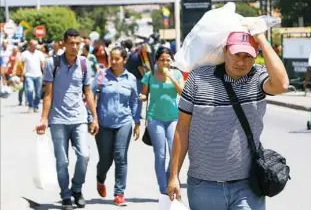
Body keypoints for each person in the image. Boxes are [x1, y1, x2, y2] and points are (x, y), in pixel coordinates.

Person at [168, 32, 289, 210]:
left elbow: (282, 84)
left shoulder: (258, 77)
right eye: (237, 54)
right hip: (204, 186)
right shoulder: (197, 79)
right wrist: (173, 175)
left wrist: (262, 39)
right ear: (225, 51)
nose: (241, 62)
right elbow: (182, 129)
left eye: (248, 56)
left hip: (247, 186)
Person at [35, 28, 99, 210]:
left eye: (78, 43)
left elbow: (88, 92)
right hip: (57, 120)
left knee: (84, 156)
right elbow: (48, 95)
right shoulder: (52, 63)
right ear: (64, 44)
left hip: (78, 118)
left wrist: (94, 117)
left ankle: (76, 189)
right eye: (71, 43)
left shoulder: (85, 63)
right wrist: (43, 119)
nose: (75, 46)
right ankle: (65, 195)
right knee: (62, 161)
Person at [93, 46, 140, 206]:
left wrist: (137, 122)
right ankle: (100, 178)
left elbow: (134, 100)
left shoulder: (131, 79)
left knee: (120, 157)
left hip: (124, 122)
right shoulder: (101, 76)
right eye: (111, 58)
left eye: (117, 59)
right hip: (104, 123)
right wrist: (91, 118)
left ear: (124, 60)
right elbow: (90, 95)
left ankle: (119, 193)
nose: (113, 61)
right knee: (106, 159)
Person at [139, 46, 184, 195]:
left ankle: (169, 179)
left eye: (167, 59)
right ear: (156, 61)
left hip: (173, 117)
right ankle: (163, 187)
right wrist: (142, 97)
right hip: (154, 118)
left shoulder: (177, 74)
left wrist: (170, 76)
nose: (165, 62)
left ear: (171, 60)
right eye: (162, 60)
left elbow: (182, 92)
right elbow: (145, 94)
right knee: (160, 154)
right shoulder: (149, 75)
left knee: (174, 152)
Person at [21, 39, 45, 112]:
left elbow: (42, 64)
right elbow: (22, 64)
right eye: (34, 45)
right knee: (30, 90)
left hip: (38, 75)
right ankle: (30, 105)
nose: (35, 47)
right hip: (29, 75)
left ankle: (36, 105)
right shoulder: (25, 54)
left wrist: (45, 73)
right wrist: (23, 74)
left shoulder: (39, 53)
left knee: (38, 92)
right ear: (30, 45)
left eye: (36, 45)